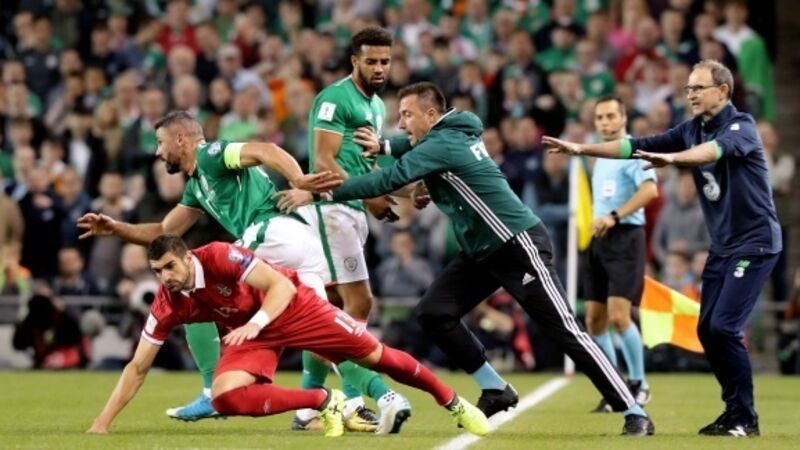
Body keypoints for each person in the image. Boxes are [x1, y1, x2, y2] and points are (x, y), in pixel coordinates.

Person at [277, 81, 655, 436]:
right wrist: (386, 145)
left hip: (516, 244)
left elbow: (387, 180)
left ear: (430, 115)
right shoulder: (454, 131)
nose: (401, 123)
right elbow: (411, 145)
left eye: (407, 115)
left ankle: (634, 409)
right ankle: (496, 389)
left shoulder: (441, 145)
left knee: (565, 330)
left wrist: (320, 192)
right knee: (434, 312)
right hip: (482, 250)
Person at [76, 111, 408, 433]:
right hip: (297, 245)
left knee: (194, 286)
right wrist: (116, 228)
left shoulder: (211, 156)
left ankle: (211, 391)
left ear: (180, 140)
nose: (158, 151)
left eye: (161, 142)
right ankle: (376, 399)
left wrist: (298, 180)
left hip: (272, 232)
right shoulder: (197, 185)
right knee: (322, 334)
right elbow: (165, 230)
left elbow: (265, 150)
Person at [544, 59, 780, 437]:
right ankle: (733, 411)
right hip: (723, 246)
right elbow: (635, 146)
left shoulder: (742, 126)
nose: (691, 94)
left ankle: (744, 417)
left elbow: (713, 152)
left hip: (755, 243)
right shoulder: (691, 129)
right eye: (688, 89)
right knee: (707, 330)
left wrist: (673, 158)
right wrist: (581, 148)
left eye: (698, 88)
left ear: (723, 90)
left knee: (723, 327)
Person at [86, 235, 489, 438]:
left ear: (187, 257)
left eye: (170, 267)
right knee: (224, 397)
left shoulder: (221, 255)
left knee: (375, 356)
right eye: (157, 271)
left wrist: (257, 322)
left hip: (293, 308)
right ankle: (323, 401)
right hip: (254, 333)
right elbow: (138, 366)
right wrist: (102, 423)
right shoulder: (168, 302)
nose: (165, 277)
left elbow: (281, 286)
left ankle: (453, 403)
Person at [304, 26, 404, 429]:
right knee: (358, 303)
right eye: (372, 61)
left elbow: (366, 164)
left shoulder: (376, 106)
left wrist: (404, 190)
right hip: (333, 209)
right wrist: (368, 197)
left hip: (353, 212)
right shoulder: (335, 98)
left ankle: (309, 408)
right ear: (354, 61)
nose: (379, 68)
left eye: (385, 61)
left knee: (326, 309)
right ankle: (357, 398)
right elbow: (323, 161)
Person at [583, 95, 658, 413]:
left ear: (624, 118)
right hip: (599, 239)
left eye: (611, 116)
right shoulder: (601, 156)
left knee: (619, 316)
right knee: (594, 320)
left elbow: (650, 190)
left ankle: (639, 384)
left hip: (626, 236)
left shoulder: (634, 152)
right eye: (600, 117)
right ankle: (615, 388)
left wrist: (614, 216)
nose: (605, 122)